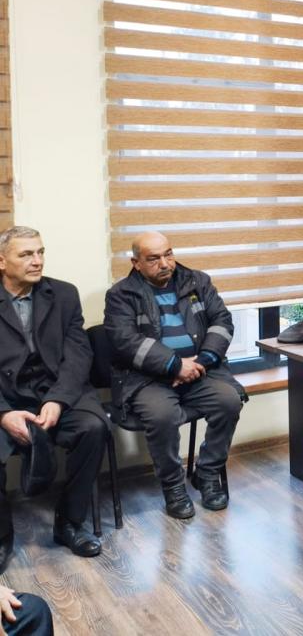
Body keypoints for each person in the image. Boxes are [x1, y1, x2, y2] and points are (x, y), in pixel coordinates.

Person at [103, 231, 246, 519]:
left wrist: (200, 362)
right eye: (153, 258)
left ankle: (207, 473)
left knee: (229, 401)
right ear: (136, 263)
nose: (165, 263)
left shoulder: (198, 281)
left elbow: (222, 322)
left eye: (168, 254)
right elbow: (126, 342)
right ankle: (173, 487)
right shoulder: (121, 295)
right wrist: (175, 366)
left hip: (200, 370)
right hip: (147, 379)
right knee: (162, 416)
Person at [0, 226, 107, 559]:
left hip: (57, 390)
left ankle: (69, 523)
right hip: (6, 397)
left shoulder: (63, 293)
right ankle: (1, 537)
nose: (37, 261)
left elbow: (78, 354)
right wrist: (3, 413)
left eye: (40, 252)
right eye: (26, 254)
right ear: (2, 261)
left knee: (93, 428)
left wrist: (58, 399)